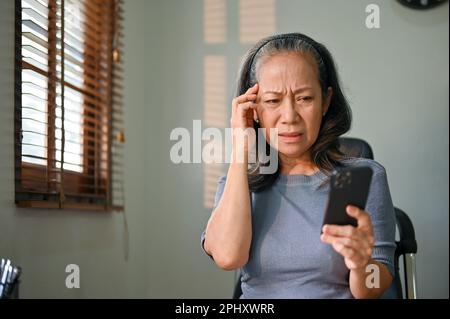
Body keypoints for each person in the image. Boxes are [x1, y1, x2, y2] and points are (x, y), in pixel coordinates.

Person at [200, 33, 396, 299]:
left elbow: (372, 290)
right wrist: (240, 151)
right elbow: (227, 257)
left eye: (304, 98)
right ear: (253, 110)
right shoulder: (238, 185)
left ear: (326, 101)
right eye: (272, 101)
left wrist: (362, 265)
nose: (290, 117)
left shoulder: (362, 177)